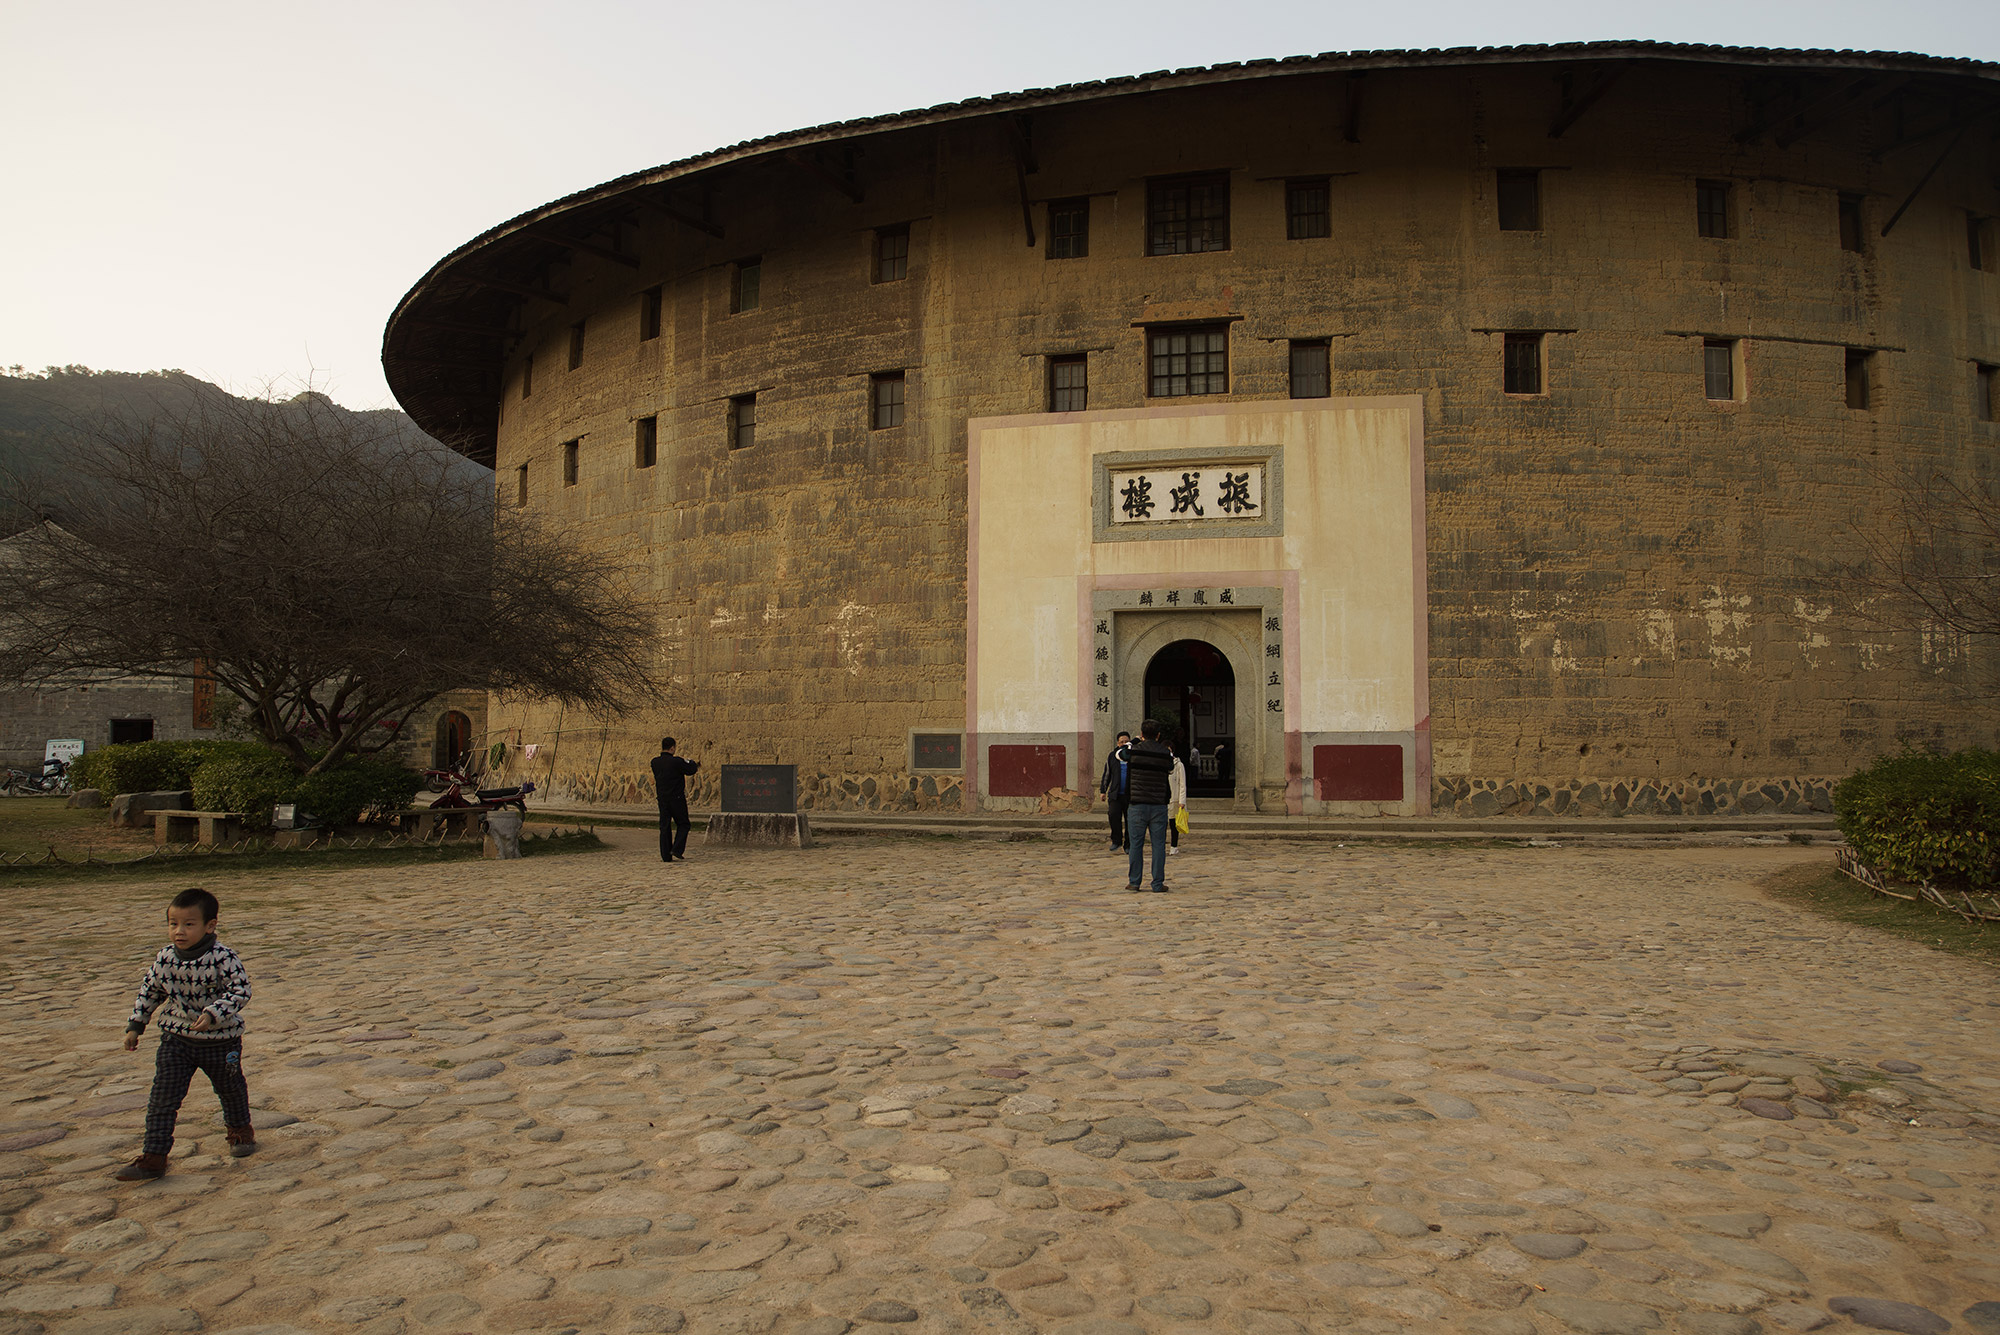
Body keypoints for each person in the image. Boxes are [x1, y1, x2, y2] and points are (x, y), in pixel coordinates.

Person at [115, 887, 254, 1181]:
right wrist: (136, 1025)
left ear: (210, 926)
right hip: (176, 1040)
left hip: (221, 1041)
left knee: (230, 1089)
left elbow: (241, 990)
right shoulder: (165, 959)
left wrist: (213, 1013)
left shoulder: (223, 957)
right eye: (173, 923)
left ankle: (240, 1131)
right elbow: (150, 991)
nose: (179, 931)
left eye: (189, 924)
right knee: (162, 1098)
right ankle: (154, 1157)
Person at [1123, 719, 1176, 893]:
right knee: (1158, 845)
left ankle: (1134, 882)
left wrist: (1134, 741)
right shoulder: (1165, 753)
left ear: (1142, 734)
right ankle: (1157, 883)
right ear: (1158, 735)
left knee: (1136, 844)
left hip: (1137, 804)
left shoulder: (1134, 751)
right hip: (1158, 804)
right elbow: (1170, 768)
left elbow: (1119, 754)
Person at [651, 736, 700, 862]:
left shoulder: (655, 762)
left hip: (662, 798)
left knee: (665, 826)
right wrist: (691, 761)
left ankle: (665, 855)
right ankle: (677, 849)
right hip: (676, 798)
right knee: (683, 824)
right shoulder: (676, 762)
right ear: (672, 748)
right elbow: (691, 769)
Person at [1096, 730, 1132, 853]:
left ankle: (1128, 844)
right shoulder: (1112, 756)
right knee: (1113, 816)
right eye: (1122, 742)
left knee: (1130, 820)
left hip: (1130, 794)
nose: (1124, 744)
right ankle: (1116, 841)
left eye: (1126, 741)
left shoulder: (1133, 755)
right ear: (1118, 743)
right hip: (1115, 794)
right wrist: (1103, 790)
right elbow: (1107, 774)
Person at [1168, 747, 1188, 856]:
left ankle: (1174, 846)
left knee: (1173, 824)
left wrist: (1182, 800)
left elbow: (1182, 784)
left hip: (1175, 799)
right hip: (1163, 800)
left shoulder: (1179, 765)